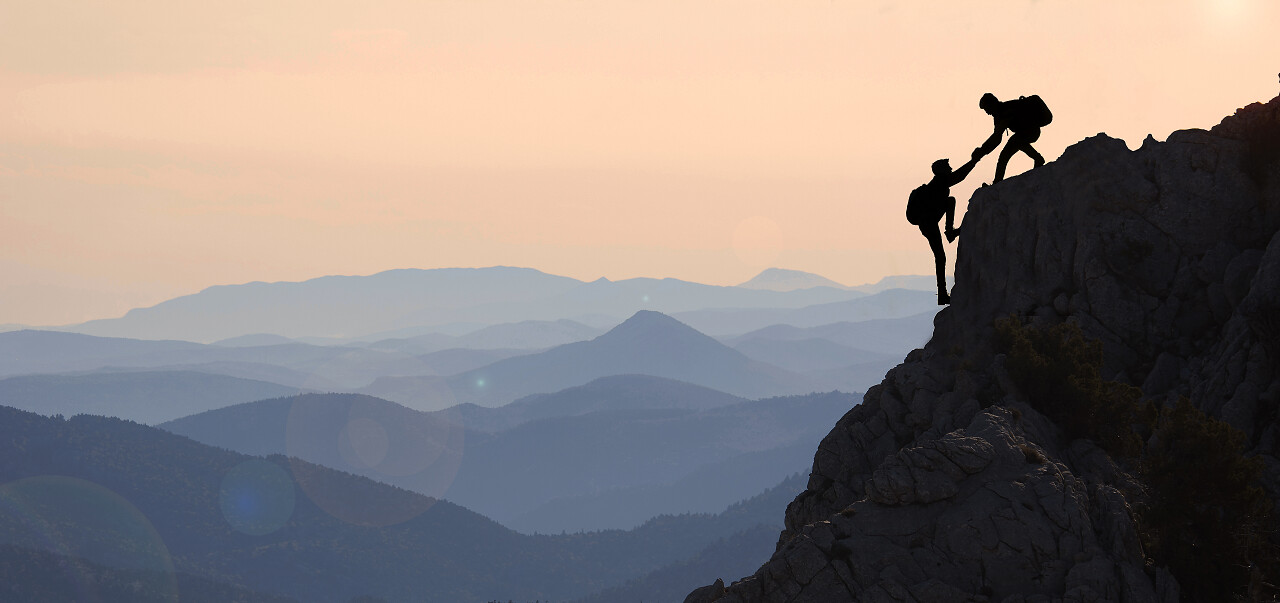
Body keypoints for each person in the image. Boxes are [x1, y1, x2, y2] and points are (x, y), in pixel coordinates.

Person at [906, 148, 982, 305]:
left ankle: (949, 232)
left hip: (929, 221)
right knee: (940, 256)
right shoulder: (940, 182)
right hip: (929, 223)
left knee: (950, 201)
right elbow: (959, 176)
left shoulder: (938, 183)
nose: (951, 169)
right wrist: (974, 161)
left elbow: (956, 176)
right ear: (941, 171)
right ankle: (941, 293)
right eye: (948, 167)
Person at [975, 92, 1052, 183]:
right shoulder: (999, 115)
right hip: (1022, 134)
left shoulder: (1006, 110)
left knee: (1014, 142)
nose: (987, 113)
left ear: (992, 104)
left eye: (987, 109)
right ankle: (997, 181)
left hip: (1032, 132)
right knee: (1004, 155)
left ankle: (1038, 159)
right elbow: (997, 139)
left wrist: (982, 151)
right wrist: (982, 151)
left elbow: (997, 136)